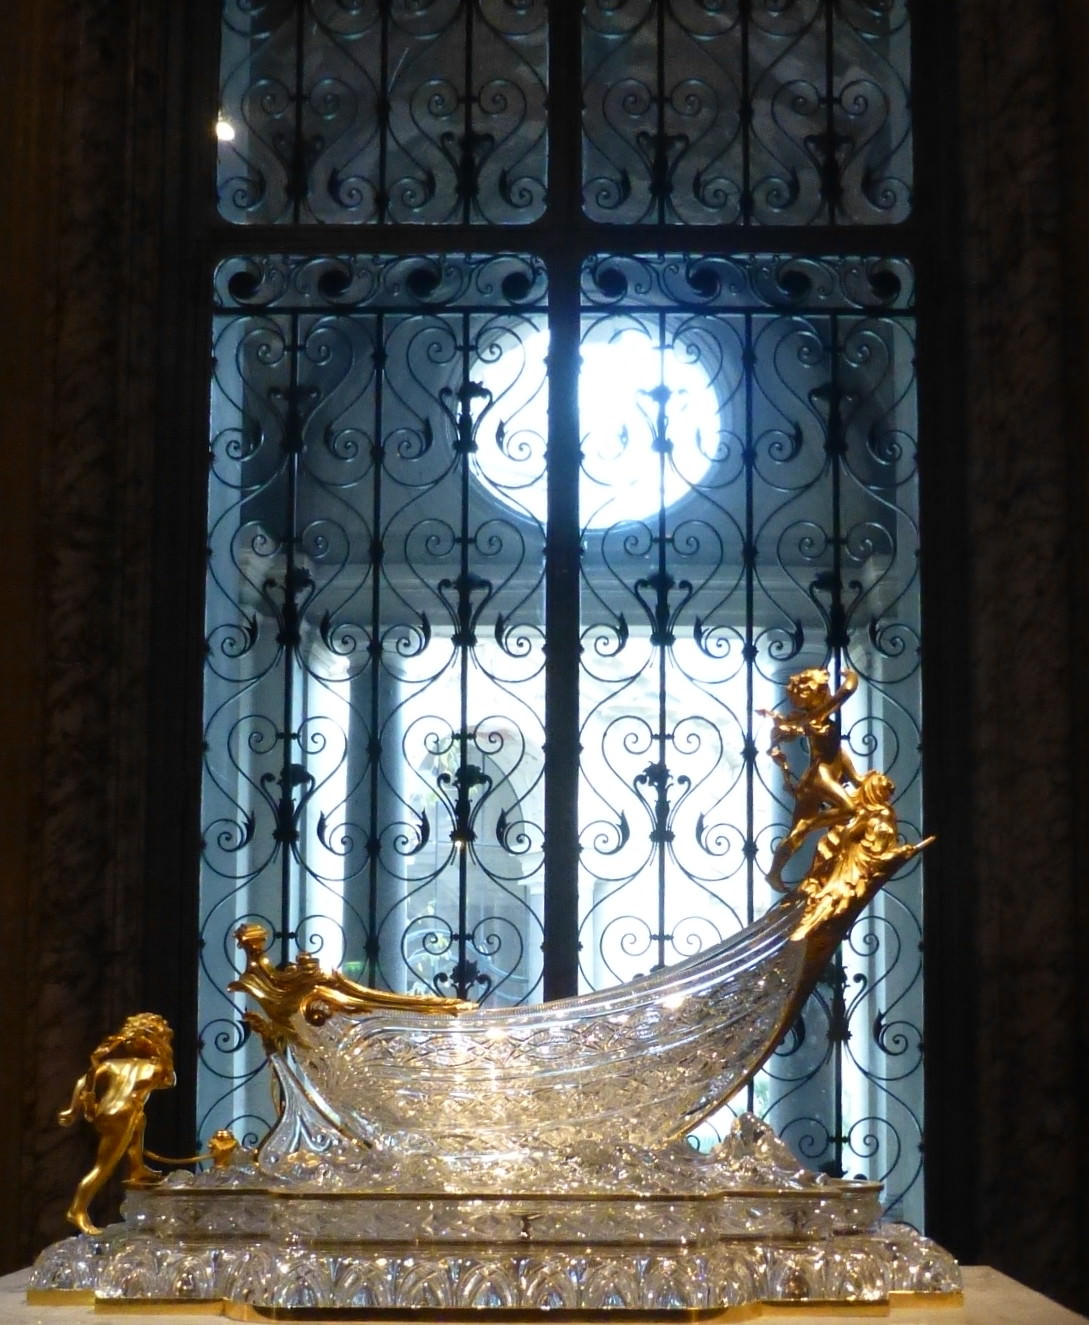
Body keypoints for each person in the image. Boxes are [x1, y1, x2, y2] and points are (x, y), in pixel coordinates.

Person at [58, 1013, 175, 1235]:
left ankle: (137, 1167)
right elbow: (169, 1080)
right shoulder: (153, 1068)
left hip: (111, 1112)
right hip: (121, 1115)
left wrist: (72, 1109)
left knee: (140, 1119)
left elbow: (84, 1081)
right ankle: (77, 1209)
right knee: (103, 1167)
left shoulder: (113, 1064)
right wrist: (162, 1047)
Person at [763, 667, 861, 889]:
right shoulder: (818, 714)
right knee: (849, 810)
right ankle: (809, 825)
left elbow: (837, 752)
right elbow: (846, 690)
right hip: (820, 777)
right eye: (823, 689)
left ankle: (774, 872)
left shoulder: (815, 718)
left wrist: (855, 777)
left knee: (795, 835)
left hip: (814, 780)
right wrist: (851, 674)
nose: (828, 692)